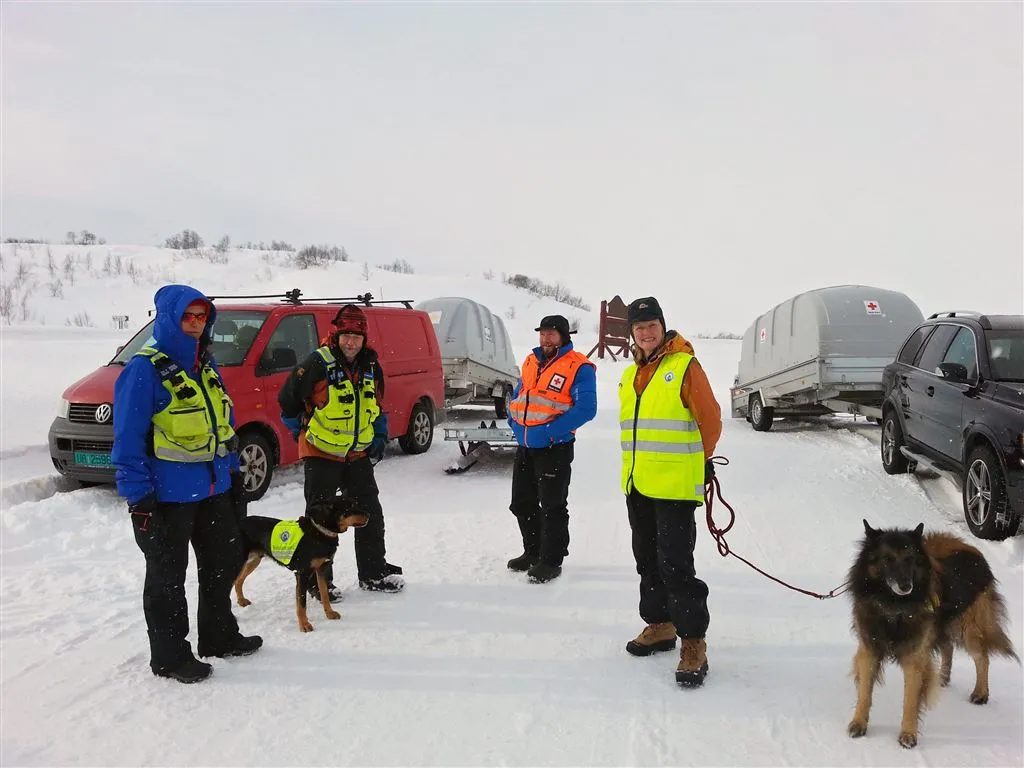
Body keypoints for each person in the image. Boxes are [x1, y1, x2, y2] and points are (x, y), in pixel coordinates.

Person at [112, 284, 262, 685]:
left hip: (214, 490)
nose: (195, 325)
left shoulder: (206, 367)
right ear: (168, 320)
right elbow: (127, 439)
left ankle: (219, 636)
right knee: (166, 578)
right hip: (166, 498)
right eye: (187, 317)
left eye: (202, 317)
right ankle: (170, 656)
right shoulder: (143, 370)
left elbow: (222, 429)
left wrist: (232, 474)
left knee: (221, 565)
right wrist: (138, 497)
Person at [619, 296, 722, 688]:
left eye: (652, 325)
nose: (646, 333)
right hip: (638, 484)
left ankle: (693, 641)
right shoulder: (630, 375)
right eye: (639, 327)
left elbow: (709, 420)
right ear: (632, 332)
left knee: (676, 565)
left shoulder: (684, 366)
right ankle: (660, 625)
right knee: (647, 560)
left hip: (675, 487)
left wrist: (702, 460)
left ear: (663, 327)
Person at [278, 303, 403, 599]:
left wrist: (379, 435)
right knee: (319, 520)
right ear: (336, 335)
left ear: (364, 339)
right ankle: (318, 583)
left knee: (369, 513)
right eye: (346, 335)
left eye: (356, 337)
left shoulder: (371, 366)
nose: (351, 342)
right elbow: (288, 401)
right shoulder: (316, 363)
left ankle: (373, 572)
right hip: (321, 455)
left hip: (356, 455)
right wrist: (303, 432)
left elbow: (377, 404)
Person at [506, 314, 597, 583]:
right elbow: (520, 393)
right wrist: (513, 422)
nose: (546, 338)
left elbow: (586, 409)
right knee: (521, 503)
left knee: (553, 506)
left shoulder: (579, 367)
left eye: (551, 334)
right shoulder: (531, 361)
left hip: (554, 448)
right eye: (543, 333)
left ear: (563, 336)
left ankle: (551, 560)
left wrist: (548, 432)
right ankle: (532, 552)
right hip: (524, 445)